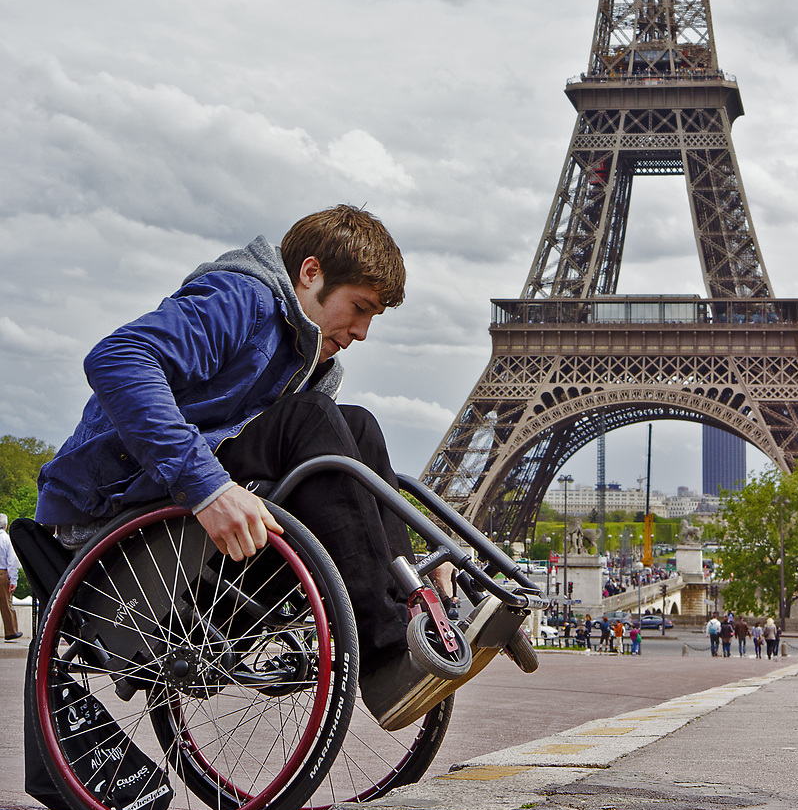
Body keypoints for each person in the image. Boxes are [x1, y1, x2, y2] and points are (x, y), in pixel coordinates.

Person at [36, 206, 519, 731]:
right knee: (314, 419)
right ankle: (382, 654)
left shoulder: (315, 364)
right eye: (358, 308)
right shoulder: (240, 298)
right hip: (114, 502)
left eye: (372, 317)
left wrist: (408, 559)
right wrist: (208, 489)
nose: (361, 332)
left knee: (355, 429)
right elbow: (117, 358)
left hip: (176, 501)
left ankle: (413, 611)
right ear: (310, 273)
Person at [0, 515, 22, 641]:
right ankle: (11, 631)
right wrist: (13, 580)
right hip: (2, 573)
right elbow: (12, 561)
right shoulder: (6, 539)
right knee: (6, 604)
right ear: (5, 525)